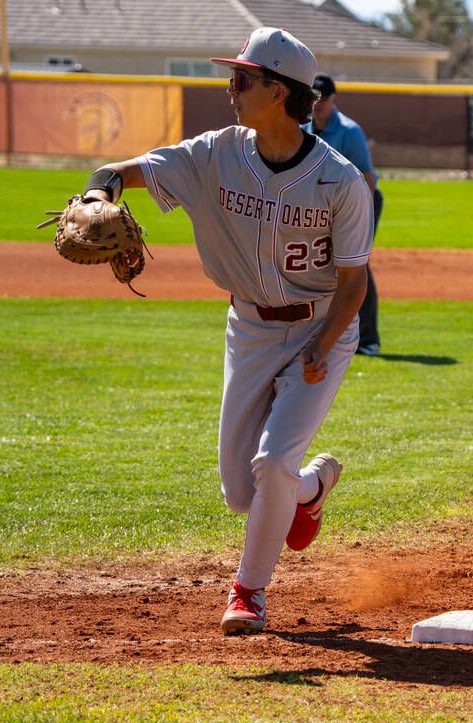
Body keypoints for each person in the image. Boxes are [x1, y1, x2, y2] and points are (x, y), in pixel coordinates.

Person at [78, 28, 372, 634]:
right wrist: (96, 192)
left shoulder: (339, 181)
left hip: (322, 329)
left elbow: (353, 286)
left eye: (243, 78)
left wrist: (320, 345)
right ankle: (313, 488)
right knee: (244, 491)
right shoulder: (214, 154)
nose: (230, 88)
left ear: (281, 92)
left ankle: (248, 593)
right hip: (249, 328)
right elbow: (114, 170)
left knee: (272, 462)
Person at [305, 75, 383, 356]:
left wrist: (359, 219)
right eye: (313, 99)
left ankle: (368, 339)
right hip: (321, 207)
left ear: (334, 100)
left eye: (323, 99)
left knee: (356, 265)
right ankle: (322, 333)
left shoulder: (349, 132)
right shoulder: (303, 128)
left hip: (362, 202)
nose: (318, 105)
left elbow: (367, 180)